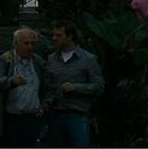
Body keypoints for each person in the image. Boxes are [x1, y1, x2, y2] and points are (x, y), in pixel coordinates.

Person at [42, 20, 104, 148]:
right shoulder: (52, 59)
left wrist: (76, 87)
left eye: (59, 35)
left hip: (77, 116)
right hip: (55, 116)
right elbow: (49, 88)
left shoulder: (88, 59)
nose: (54, 38)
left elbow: (99, 87)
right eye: (53, 35)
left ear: (69, 37)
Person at [0, 27, 46, 149]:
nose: (30, 47)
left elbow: (47, 87)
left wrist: (44, 106)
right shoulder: (5, 59)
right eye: (26, 43)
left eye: (33, 43)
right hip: (11, 118)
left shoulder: (38, 62)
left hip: (32, 118)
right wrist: (12, 81)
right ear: (16, 43)